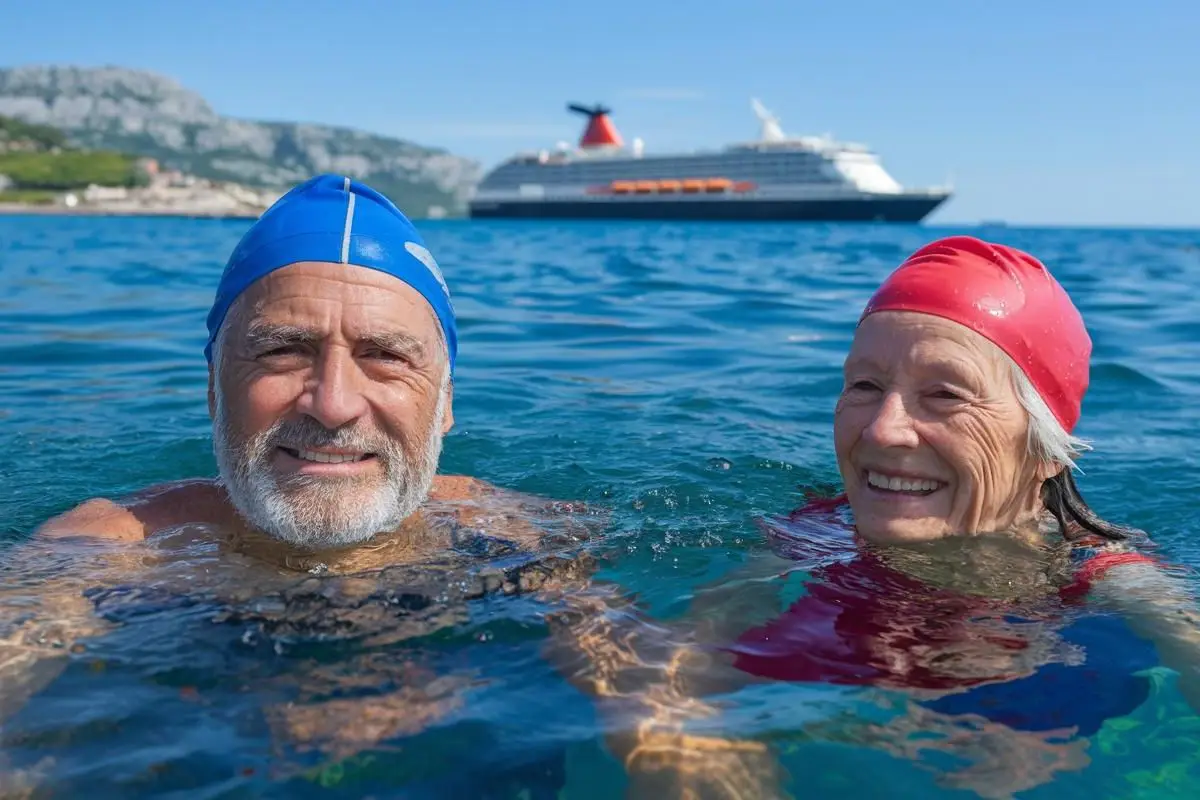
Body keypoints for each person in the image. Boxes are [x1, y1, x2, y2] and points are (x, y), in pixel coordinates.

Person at [551, 236, 1200, 799]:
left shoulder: (1111, 582)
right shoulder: (810, 531)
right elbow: (677, 669)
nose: (884, 430)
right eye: (864, 386)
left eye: (945, 395)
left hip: (1026, 725)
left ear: (1043, 449)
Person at [5, 175, 595, 780]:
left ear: (443, 403)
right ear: (214, 390)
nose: (333, 404)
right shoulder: (109, 551)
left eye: (385, 356)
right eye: (282, 351)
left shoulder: (523, 538)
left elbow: (667, 709)